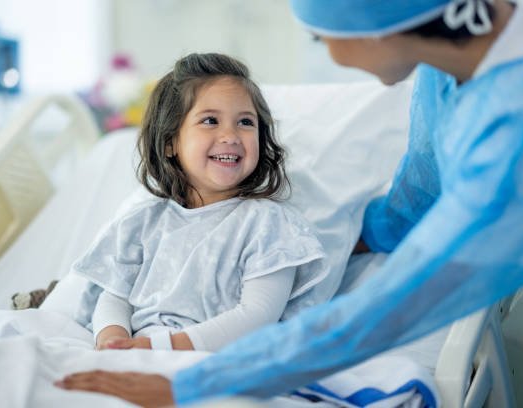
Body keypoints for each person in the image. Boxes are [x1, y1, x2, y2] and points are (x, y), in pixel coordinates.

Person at [56, 0, 523, 406]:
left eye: (319, 36)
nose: (329, 52)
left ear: (377, 30)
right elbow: (427, 178)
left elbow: (395, 306)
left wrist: (191, 383)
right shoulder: (451, 61)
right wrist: (372, 232)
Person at [69, 52, 328, 353]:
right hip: (136, 352)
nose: (230, 135)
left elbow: (258, 316)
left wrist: (159, 347)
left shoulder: (269, 225)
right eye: (210, 121)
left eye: (245, 122)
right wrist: (112, 340)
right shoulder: (142, 222)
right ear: (170, 142)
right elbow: (114, 297)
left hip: (215, 360)